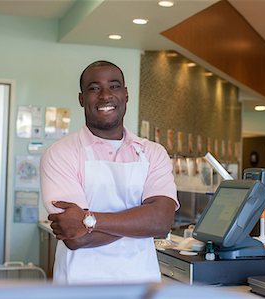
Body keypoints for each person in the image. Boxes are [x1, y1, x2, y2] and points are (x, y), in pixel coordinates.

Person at [40, 60, 179, 284]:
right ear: (81, 99)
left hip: (141, 285)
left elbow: (161, 221)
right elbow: (75, 237)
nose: (105, 95)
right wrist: (141, 221)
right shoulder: (60, 153)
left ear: (126, 94)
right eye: (94, 88)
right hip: (80, 285)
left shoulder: (152, 152)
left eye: (114, 86)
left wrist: (88, 220)